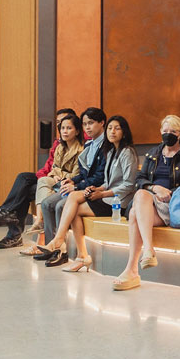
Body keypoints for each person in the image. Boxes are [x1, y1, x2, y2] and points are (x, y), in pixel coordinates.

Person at [113, 116, 180, 291]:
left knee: (134, 211)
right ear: (160, 132)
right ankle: (144, 255)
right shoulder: (153, 153)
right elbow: (140, 179)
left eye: (173, 132)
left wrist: (168, 193)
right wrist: (155, 188)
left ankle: (133, 267)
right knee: (141, 197)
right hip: (150, 203)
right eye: (165, 131)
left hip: (172, 205)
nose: (168, 135)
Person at [42, 115, 137, 272]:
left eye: (117, 128)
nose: (112, 131)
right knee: (73, 199)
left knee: (74, 209)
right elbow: (108, 181)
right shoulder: (112, 151)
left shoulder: (127, 152)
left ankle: (69, 247)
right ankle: (75, 250)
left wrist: (102, 194)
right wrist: (97, 189)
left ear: (124, 132)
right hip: (107, 196)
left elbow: (128, 184)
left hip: (118, 202)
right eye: (110, 128)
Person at [0, 107, 75, 248]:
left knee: (26, 189)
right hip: (50, 177)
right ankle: (8, 214)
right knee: (24, 179)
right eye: (59, 123)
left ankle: (12, 229)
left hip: (63, 181)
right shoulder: (58, 143)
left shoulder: (79, 143)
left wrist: (50, 175)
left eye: (65, 123)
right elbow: (48, 167)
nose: (61, 126)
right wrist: (46, 175)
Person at [35, 108, 106, 263]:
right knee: (47, 203)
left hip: (93, 189)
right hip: (79, 185)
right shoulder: (89, 145)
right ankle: (50, 245)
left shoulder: (105, 146)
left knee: (61, 205)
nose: (88, 127)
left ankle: (62, 251)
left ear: (102, 123)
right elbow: (83, 172)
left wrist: (76, 185)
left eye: (91, 123)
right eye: (85, 124)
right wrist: (73, 180)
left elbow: (99, 177)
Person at [25, 113, 84, 253]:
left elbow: (76, 174)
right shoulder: (60, 147)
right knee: (43, 180)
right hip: (58, 181)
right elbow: (53, 169)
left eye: (69, 128)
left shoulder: (81, 150)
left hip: (70, 184)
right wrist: (56, 174)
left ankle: (51, 242)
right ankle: (40, 222)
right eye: (62, 128)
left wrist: (59, 175)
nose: (64, 131)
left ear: (77, 131)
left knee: (51, 203)